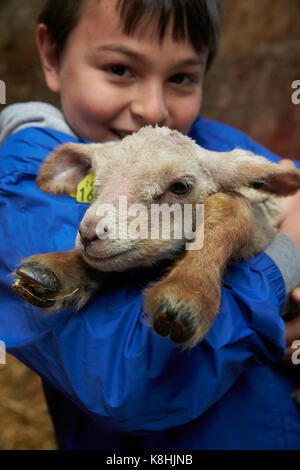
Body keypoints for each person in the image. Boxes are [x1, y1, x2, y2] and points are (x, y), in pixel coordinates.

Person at [0, 0, 300, 450]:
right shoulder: (23, 178)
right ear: (51, 55)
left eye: (181, 78)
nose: (154, 108)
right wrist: (286, 262)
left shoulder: (210, 142)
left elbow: (287, 184)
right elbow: (129, 385)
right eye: (120, 68)